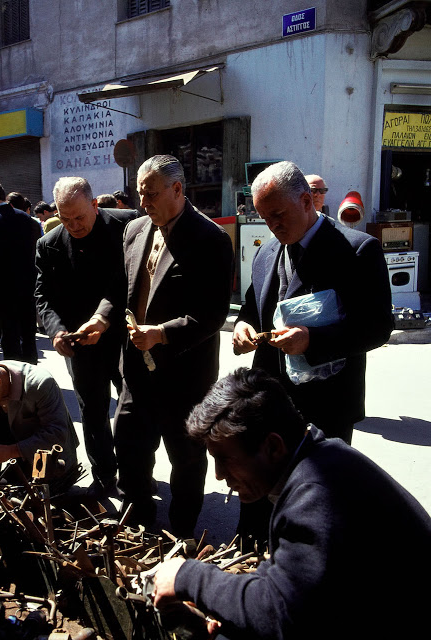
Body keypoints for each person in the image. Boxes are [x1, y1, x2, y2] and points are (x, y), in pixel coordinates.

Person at [152, 367, 431, 640]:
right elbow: (290, 580)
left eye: (225, 459)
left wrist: (188, 576)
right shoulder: (322, 458)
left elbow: (280, 617)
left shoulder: (315, 498)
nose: (218, 475)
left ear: (273, 447)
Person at [114, 154, 233, 537]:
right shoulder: (135, 230)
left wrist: (161, 333)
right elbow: (120, 292)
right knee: (129, 449)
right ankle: (137, 523)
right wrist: (101, 318)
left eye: (151, 194)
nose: (143, 202)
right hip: (136, 371)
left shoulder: (210, 238)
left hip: (184, 378)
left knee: (186, 460)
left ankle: (182, 534)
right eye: (140, 194)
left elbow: (212, 315)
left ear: (177, 189)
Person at [232, 161, 393, 444]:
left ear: (306, 201)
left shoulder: (357, 250)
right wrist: (242, 326)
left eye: (278, 214)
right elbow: (252, 309)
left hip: (327, 408)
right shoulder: (266, 251)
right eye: (265, 218)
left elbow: (377, 327)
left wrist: (312, 341)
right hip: (269, 404)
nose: (272, 225)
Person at [35, 177, 128, 495]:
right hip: (79, 342)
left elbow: (130, 281)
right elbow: (43, 296)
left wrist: (105, 320)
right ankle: (104, 475)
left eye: (79, 217)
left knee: (132, 407)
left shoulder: (127, 225)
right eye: (65, 219)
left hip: (123, 336)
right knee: (92, 409)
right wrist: (56, 331)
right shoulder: (49, 244)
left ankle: (134, 472)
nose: (73, 225)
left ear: (94, 204)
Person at [0, 357, 79, 492]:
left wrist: (13, 451)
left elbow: (56, 432)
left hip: (52, 458)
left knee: (40, 493)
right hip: (18, 440)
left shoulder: (40, 383)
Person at [0, 178, 38, 364]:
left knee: (9, 337)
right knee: (29, 335)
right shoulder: (27, 218)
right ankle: (32, 373)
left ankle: (14, 375)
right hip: (28, 286)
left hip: (3, 290)